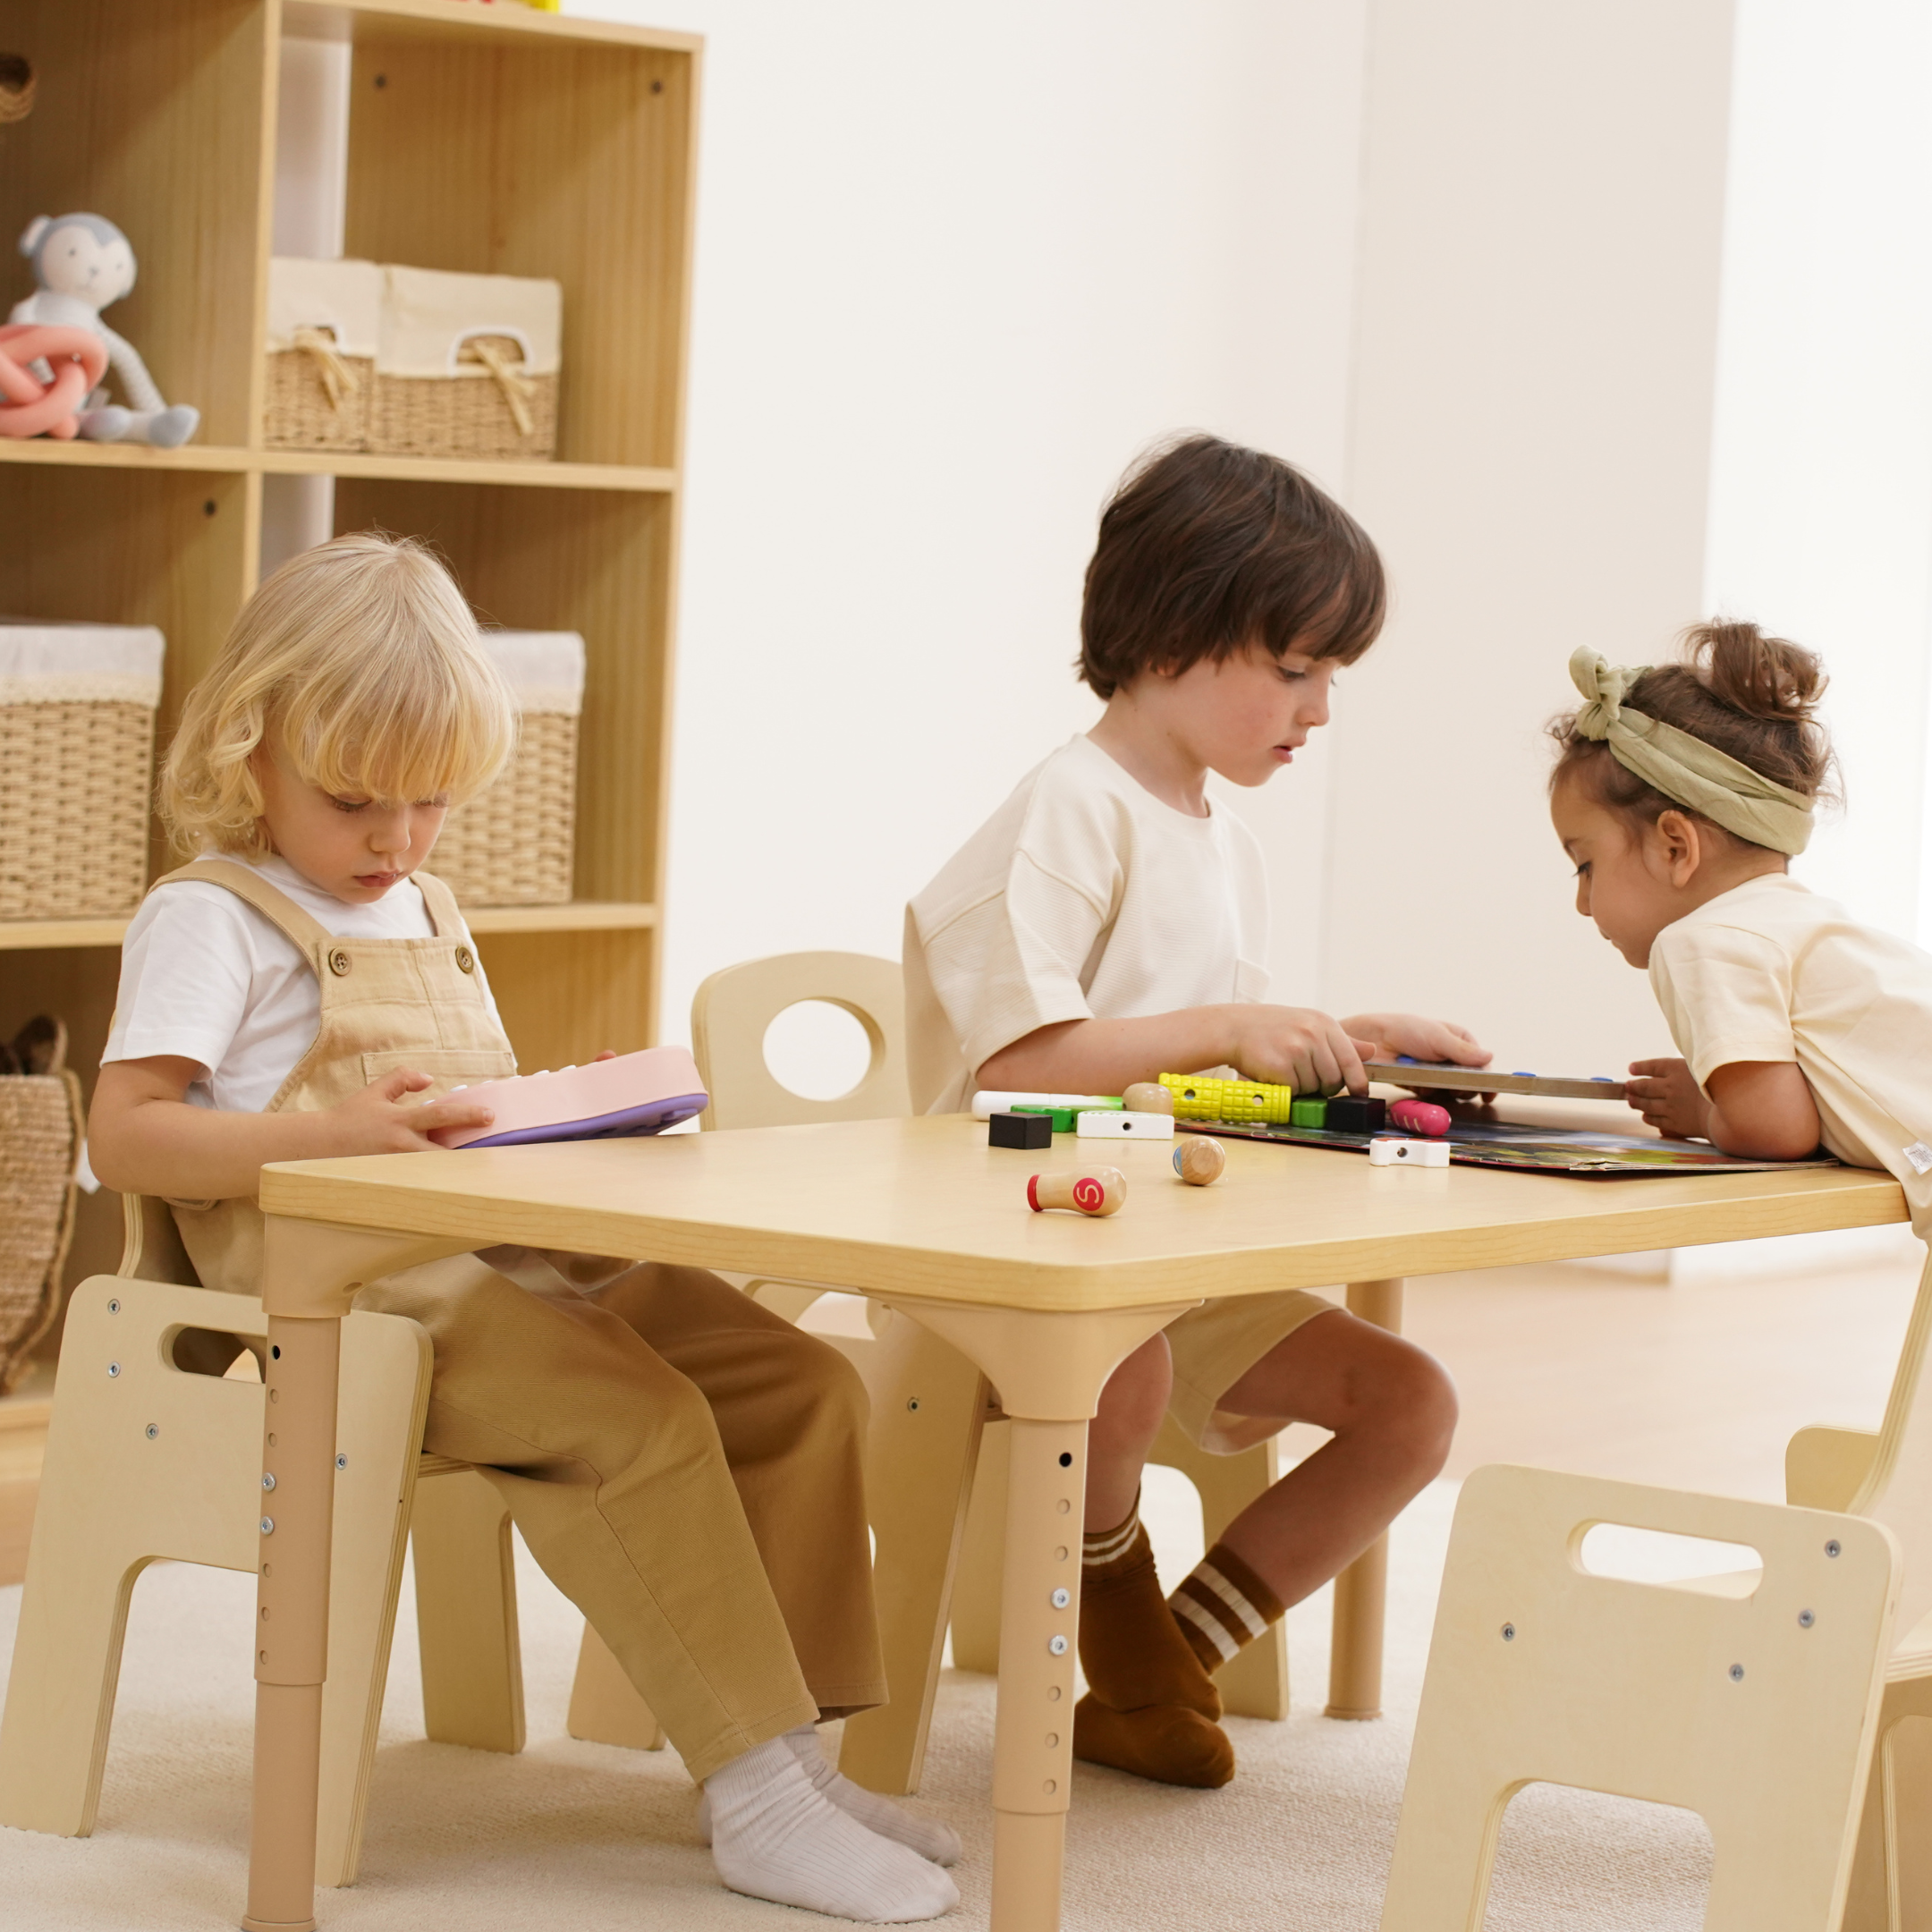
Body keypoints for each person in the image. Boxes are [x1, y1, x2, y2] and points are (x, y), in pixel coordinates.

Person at [87, 532, 957, 1923]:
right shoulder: (211, 918)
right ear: (251, 749)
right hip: (341, 1283)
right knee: (633, 1415)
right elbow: (125, 1133)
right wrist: (337, 1136)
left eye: (431, 804)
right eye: (357, 799)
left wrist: (579, 1117)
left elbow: (451, 1098)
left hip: (489, 1243)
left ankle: (787, 1749)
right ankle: (755, 1793)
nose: (398, 842)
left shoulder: (424, 901)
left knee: (795, 1382)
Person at [904, 436, 1481, 1788]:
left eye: (1330, 674)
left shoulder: (1223, 842)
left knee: (1411, 1408)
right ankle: (1119, 1619)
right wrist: (1228, 1025)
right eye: (1296, 668)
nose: (1321, 708)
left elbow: (1186, 1083)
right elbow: (1024, 1066)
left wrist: (1346, 1046)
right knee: (1132, 1357)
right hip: (1009, 1229)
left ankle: (1170, 1653)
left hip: (1162, 1241)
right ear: (1171, 638)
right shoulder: (1067, 809)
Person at [1551, 623, 1932, 1224]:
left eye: (1585, 867)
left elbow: (1776, 1128)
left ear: (1675, 847)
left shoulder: (1702, 941)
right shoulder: (1805, 925)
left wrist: (1704, 1113)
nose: (1582, 903)